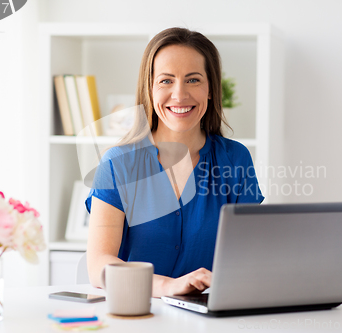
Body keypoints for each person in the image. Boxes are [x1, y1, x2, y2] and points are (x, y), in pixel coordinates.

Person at [85, 27, 264, 298]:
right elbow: (99, 265)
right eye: (166, 81)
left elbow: (250, 259)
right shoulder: (117, 164)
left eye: (193, 80)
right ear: (150, 88)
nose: (179, 95)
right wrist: (167, 286)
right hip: (138, 315)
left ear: (211, 89)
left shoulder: (236, 159)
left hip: (211, 318)